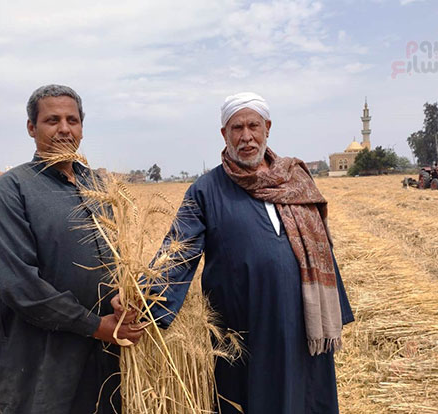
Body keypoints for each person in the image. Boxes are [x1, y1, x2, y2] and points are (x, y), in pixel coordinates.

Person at [145, 92, 354, 413]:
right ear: (224, 135)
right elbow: (178, 251)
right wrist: (146, 300)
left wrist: (336, 305)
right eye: (236, 128)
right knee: (250, 398)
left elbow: (319, 247)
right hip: (245, 329)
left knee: (307, 397)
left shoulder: (296, 179)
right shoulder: (206, 190)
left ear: (267, 127)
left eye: (253, 126)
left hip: (303, 323)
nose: (246, 136)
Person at [0, 84, 142, 414]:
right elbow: (20, 286)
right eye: (52, 120)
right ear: (31, 128)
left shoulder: (99, 187)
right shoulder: (9, 193)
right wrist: (97, 326)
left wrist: (126, 295)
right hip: (37, 366)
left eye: (72, 120)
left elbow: (120, 259)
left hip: (102, 363)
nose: (64, 129)